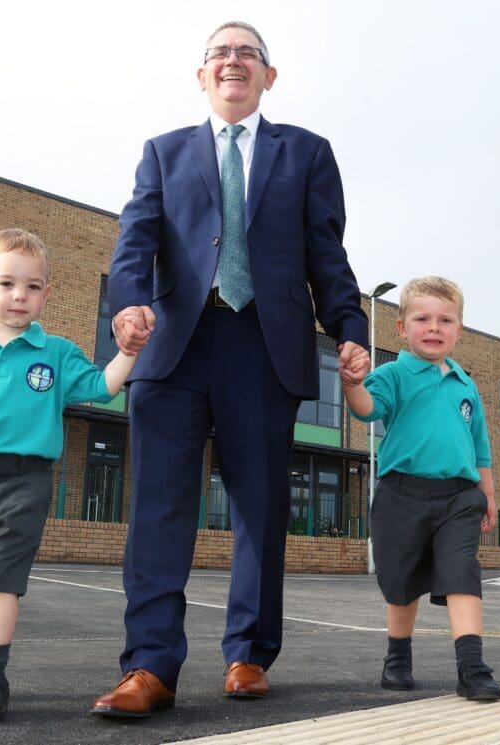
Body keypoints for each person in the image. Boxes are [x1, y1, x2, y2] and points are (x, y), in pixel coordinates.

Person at [92, 21, 368, 718]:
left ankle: (248, 652)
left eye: (249, 53)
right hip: (174, 348)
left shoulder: (306, 153)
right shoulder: (163, 153)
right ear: (202, 75)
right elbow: (135, 242)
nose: (234, 61)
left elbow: (325, 254)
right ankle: (150, 666)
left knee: (261, 508)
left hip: (263, 347)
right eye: (220, 52)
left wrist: (351, 327)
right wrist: (126, 306)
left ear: (269, 77)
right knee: (160, 508)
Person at [0, 228, 140, 722]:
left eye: (33, 286)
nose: (20, 295)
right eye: (7, 284)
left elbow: (103, 388)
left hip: (24, 480)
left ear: (46, 294)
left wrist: (129, 352)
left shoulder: (55, 354)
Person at [339, 276, 500, 702]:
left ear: (459, 329)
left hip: (459, 497)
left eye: (445, 320)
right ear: (402, 328)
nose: (434, 327)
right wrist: (352, 384)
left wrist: (487, 494)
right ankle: (398, 659)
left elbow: (480, 446)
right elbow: (367, 410)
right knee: (402, 581)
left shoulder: (467, 385)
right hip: (401, 494)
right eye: (423, 318)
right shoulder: (394, 373)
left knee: (461, 571)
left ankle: (472, 666)